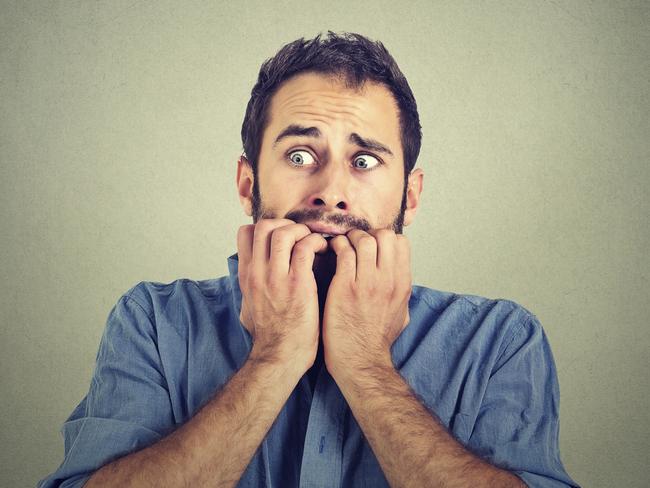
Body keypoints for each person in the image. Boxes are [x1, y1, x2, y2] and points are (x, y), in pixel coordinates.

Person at [39, 32, 579, 488]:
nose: (331, 192)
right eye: (300, 155)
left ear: (409, 197)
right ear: (248, 182)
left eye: (364, 160)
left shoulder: (501, 339)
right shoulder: (153, 322)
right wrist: (273, 357)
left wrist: (366, 364)